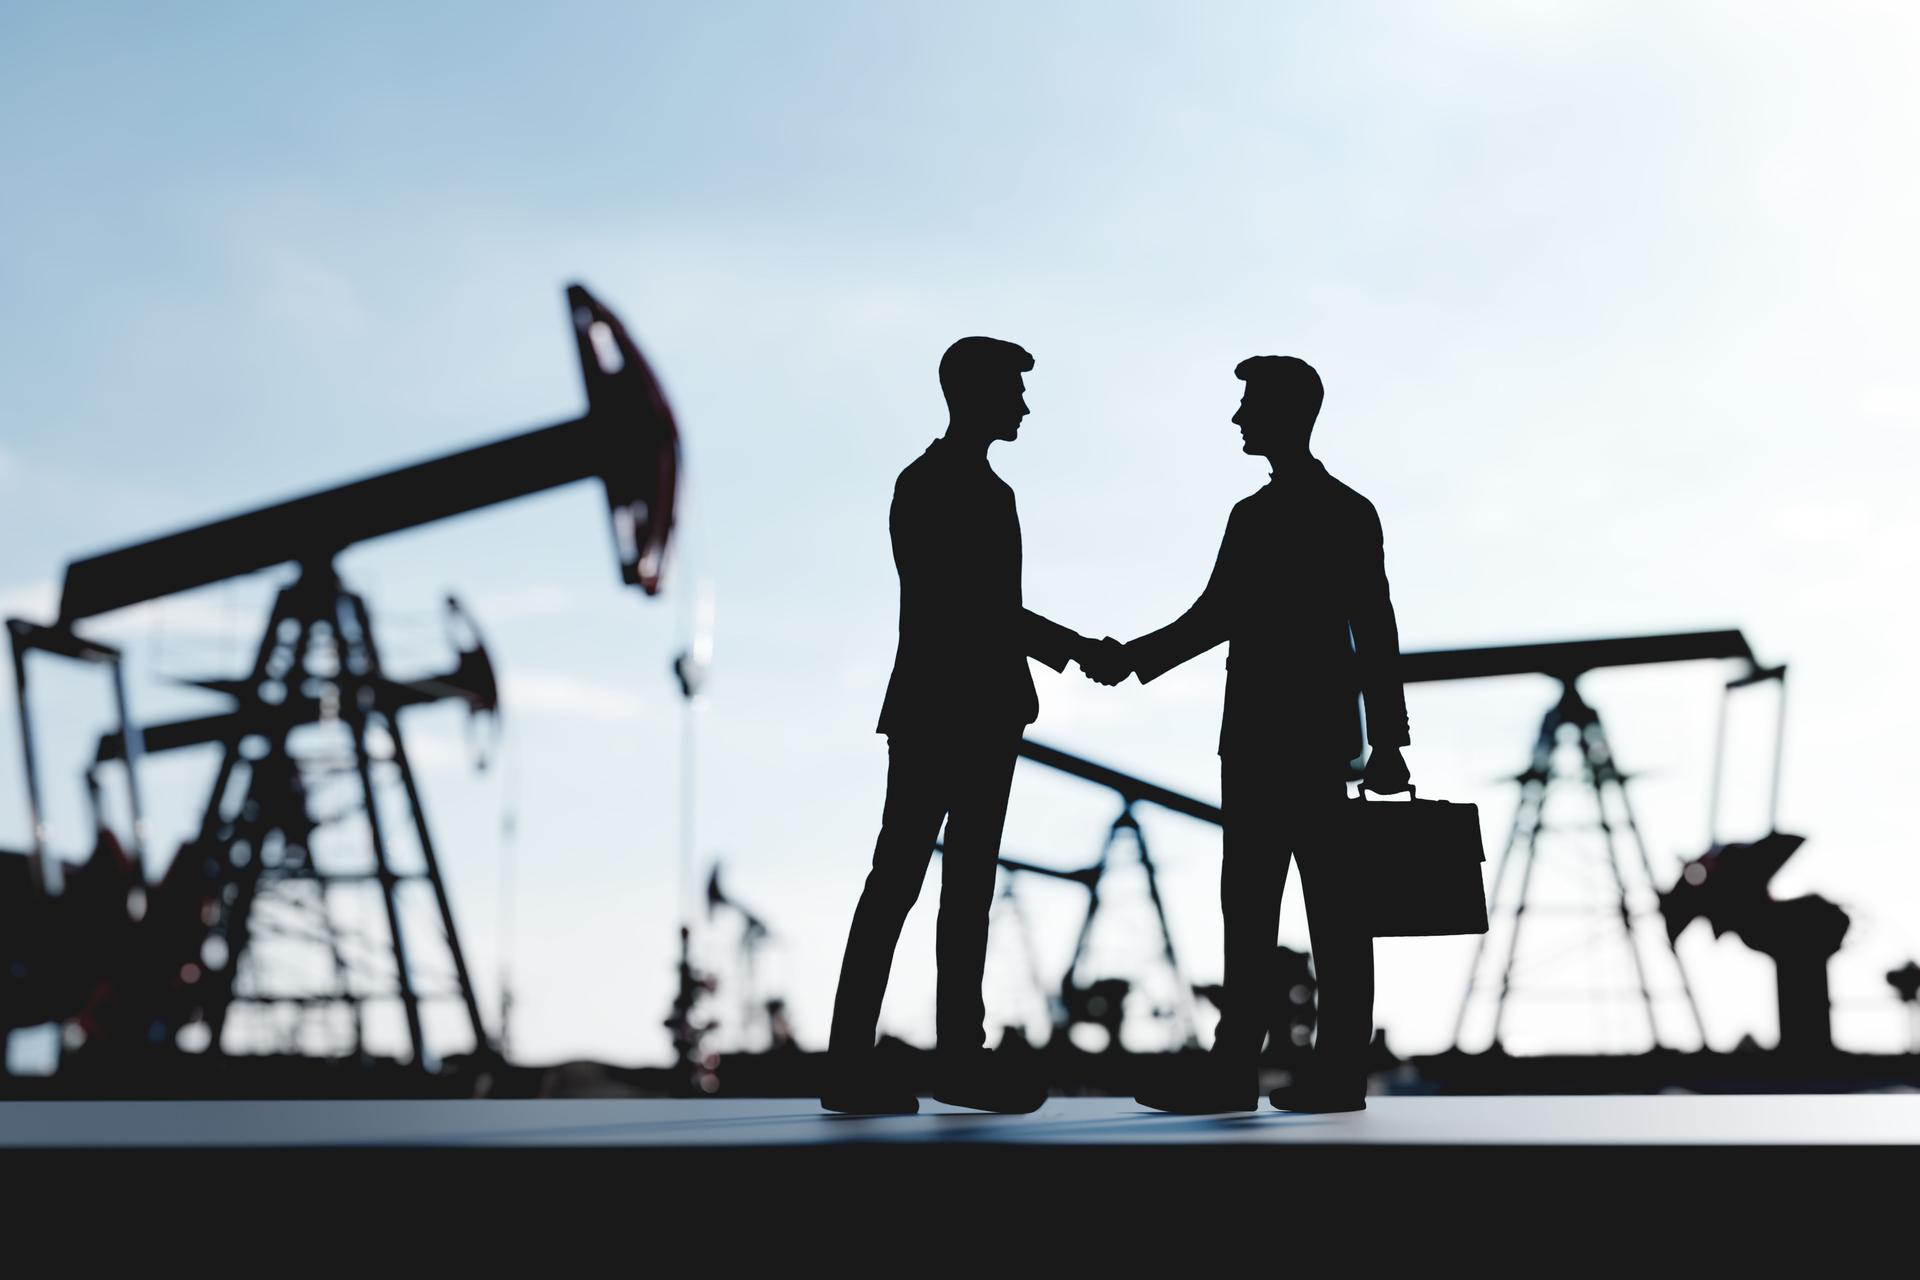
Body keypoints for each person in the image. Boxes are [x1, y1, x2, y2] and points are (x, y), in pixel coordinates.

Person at [1095, 355, 1411, 1113]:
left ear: (1287, 413)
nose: (1238, 420)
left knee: (1311, 909)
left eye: (1249, 406)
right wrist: (1135, 660)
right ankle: (1274, 1068)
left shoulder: (1321, 512)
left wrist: (1390, 738)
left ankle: (1292, 1071)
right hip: (1286, 740)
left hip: (1284, 741)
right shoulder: (1289, 512)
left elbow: (1371, 626)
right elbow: (1227, 614)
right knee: (1271, 903)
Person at [821, 336, 1126, 1116]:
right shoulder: (936, 486)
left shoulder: (976, 490)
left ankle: (950, 1054)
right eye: (1012, 392)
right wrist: (1075, 649)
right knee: (905, 883)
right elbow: (975, 607)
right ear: (975, 394)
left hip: (978, 712)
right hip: (947, 711)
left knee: (962, 888)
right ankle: (867, 1060)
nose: (1023, 406)